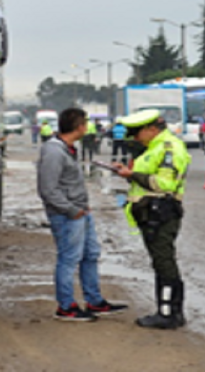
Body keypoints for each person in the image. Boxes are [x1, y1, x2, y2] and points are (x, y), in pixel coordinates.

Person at [37, 107, 128, 322]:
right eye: (86, 123)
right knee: (69, 259)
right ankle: (66, 306)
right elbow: (47, 189)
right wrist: (71, 210)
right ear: (80, 127)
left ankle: (94, 301)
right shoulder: (54, 151)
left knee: (90, 255)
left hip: (80, 211)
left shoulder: (69, 148)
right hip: (68, 214)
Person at [112, 109, 191, 329]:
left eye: (136, 133)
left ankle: (168, 314)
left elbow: (165, 184)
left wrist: (132, 175)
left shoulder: (169, 148)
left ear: (152, 129)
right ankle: (169, 311)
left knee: (164, 262)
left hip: (161, 212)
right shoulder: (153, 148)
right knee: (160, 261)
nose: (133, 138)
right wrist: (129, 173)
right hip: (150, 212)